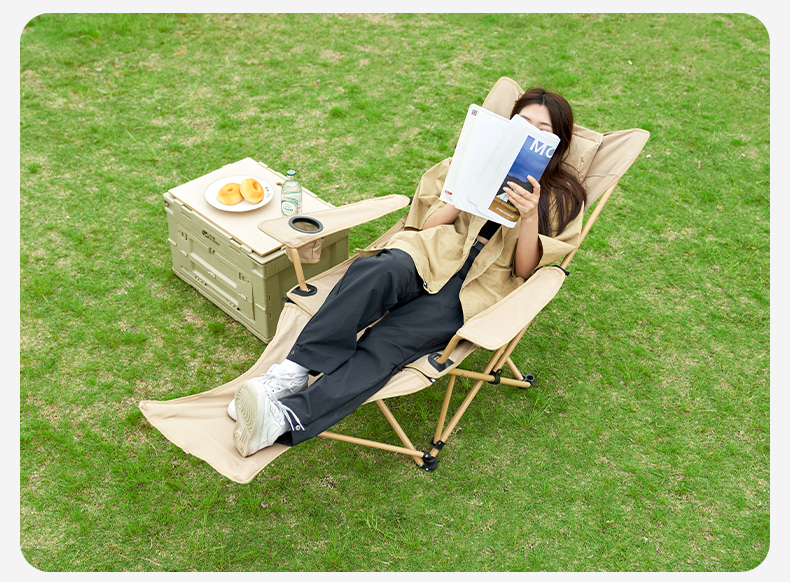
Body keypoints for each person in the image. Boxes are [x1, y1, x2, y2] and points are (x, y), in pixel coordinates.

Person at [231, 87, 588, 457]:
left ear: (557, 143)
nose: (530, 133)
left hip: (479, 285)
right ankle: (291, 373)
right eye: (523, 123)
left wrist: (529, 216)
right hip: (437, 249)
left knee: (388, 343)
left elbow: (525, 270)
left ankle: (283, 420)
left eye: (542, 130)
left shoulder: (563, 198)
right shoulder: (471, 159)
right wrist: (463, 192)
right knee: (378, 271)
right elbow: (425, 224)